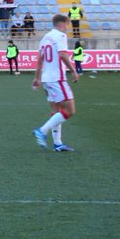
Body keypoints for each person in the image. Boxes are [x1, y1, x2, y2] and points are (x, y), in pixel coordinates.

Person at [32, 14, 80, 152]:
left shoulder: (45, 38)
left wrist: (37, 78)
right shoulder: (60, 36)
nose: (68, 28)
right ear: (63, 23)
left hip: (47, 79)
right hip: (57, 78)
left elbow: (40, 60)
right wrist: (73, 71)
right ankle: (42, 131)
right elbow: (63, 54)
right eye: (68, 25)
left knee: (56, 111)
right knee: (69, 110)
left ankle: (58, 143)